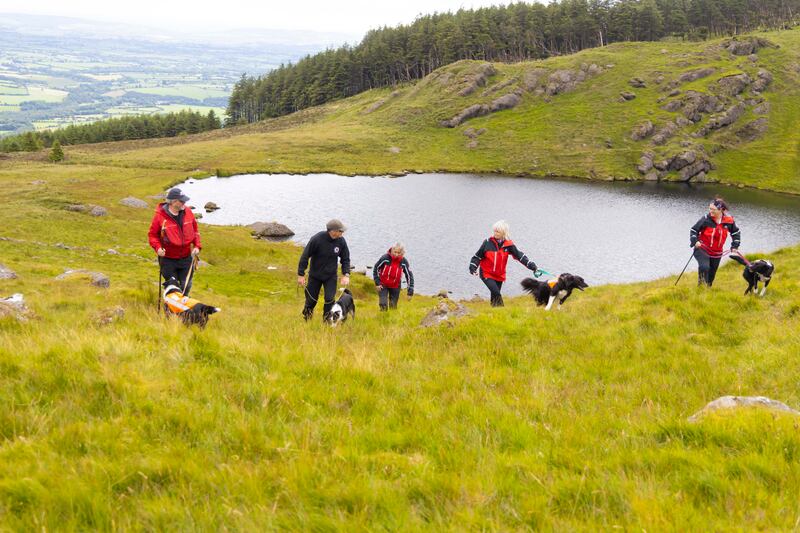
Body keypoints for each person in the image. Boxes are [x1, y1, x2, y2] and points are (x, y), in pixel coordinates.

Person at [469, 220, 538, 307]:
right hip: (486, 273)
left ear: (503, 233)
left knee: (494, 296)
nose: (495, 233)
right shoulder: (487, 242)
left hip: (499, 275)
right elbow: (477, 257)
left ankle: (494, 314)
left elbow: (520, 256)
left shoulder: (508, 245)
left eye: (497, 231)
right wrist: (473, 267)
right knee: (497, 293)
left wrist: (532, 266)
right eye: (494, 230)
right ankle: (503, 310)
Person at [148, 187, 201, 295]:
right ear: (173, 201)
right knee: (173, 288)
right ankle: (169, 310)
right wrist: (158, 248)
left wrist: (197, 246)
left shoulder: (188, 212)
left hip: (186, 258)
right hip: (168, 260)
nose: (184, 203)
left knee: (186, 285)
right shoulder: (160, 216)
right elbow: (152, 235)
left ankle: (182, 310)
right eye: (181, 201)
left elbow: (195, 231)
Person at [298, 219, 351, 321]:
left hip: (330, 276)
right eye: (341, 231)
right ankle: (307, 319)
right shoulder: (317, 239)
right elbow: (305, 256)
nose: (342, 233)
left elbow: (345, 258)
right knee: (311, 300)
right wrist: (301, 274)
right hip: (315, 275)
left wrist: (346, 274)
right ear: (333, 231)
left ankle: (327, 322)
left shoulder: (341, 241)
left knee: (329, 300)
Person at [689, 196, 742, 286]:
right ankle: (701, 287)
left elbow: (735, 233)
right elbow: (694, 230)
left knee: (712, 273)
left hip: (717, 252)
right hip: (702, 249)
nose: (711, 211)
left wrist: (734, 246)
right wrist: (695, 241)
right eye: (710, 208)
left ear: (721, 209)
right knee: (704, 267)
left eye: (713, 209)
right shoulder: (706, 219)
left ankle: (708, 288)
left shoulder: (729, 221)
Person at [372, 243, 414, 311]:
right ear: (392, 250)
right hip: (383, 284)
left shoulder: (404, 262)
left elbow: (409, 276)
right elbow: (376, 268)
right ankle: (383, 318)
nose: (396, 254)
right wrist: (377, 283)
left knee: (393, 307)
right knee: (383, 304)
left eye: (399, 253)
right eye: (395, 252)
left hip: (395, 286)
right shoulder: (385, 258)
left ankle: (391, 320)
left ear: (402, 253)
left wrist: (410, 292)